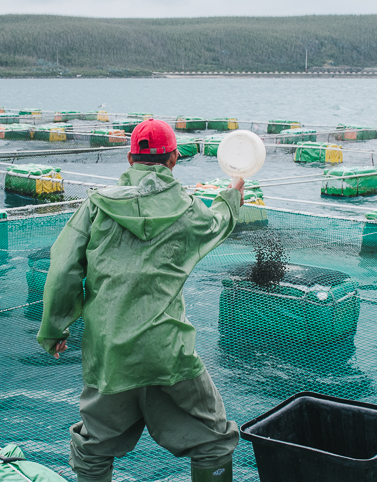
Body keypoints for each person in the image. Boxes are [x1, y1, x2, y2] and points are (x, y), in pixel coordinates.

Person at [37, 118, 245, 482]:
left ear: (129, 159)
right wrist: (232, 195)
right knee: (214, 440)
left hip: (109, 352)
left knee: (93, 449)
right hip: (167, 351)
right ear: (174, 160)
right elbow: (217, 222)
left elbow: (63, 267)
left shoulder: (97, 205)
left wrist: (54, 328)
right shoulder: (187, 206)